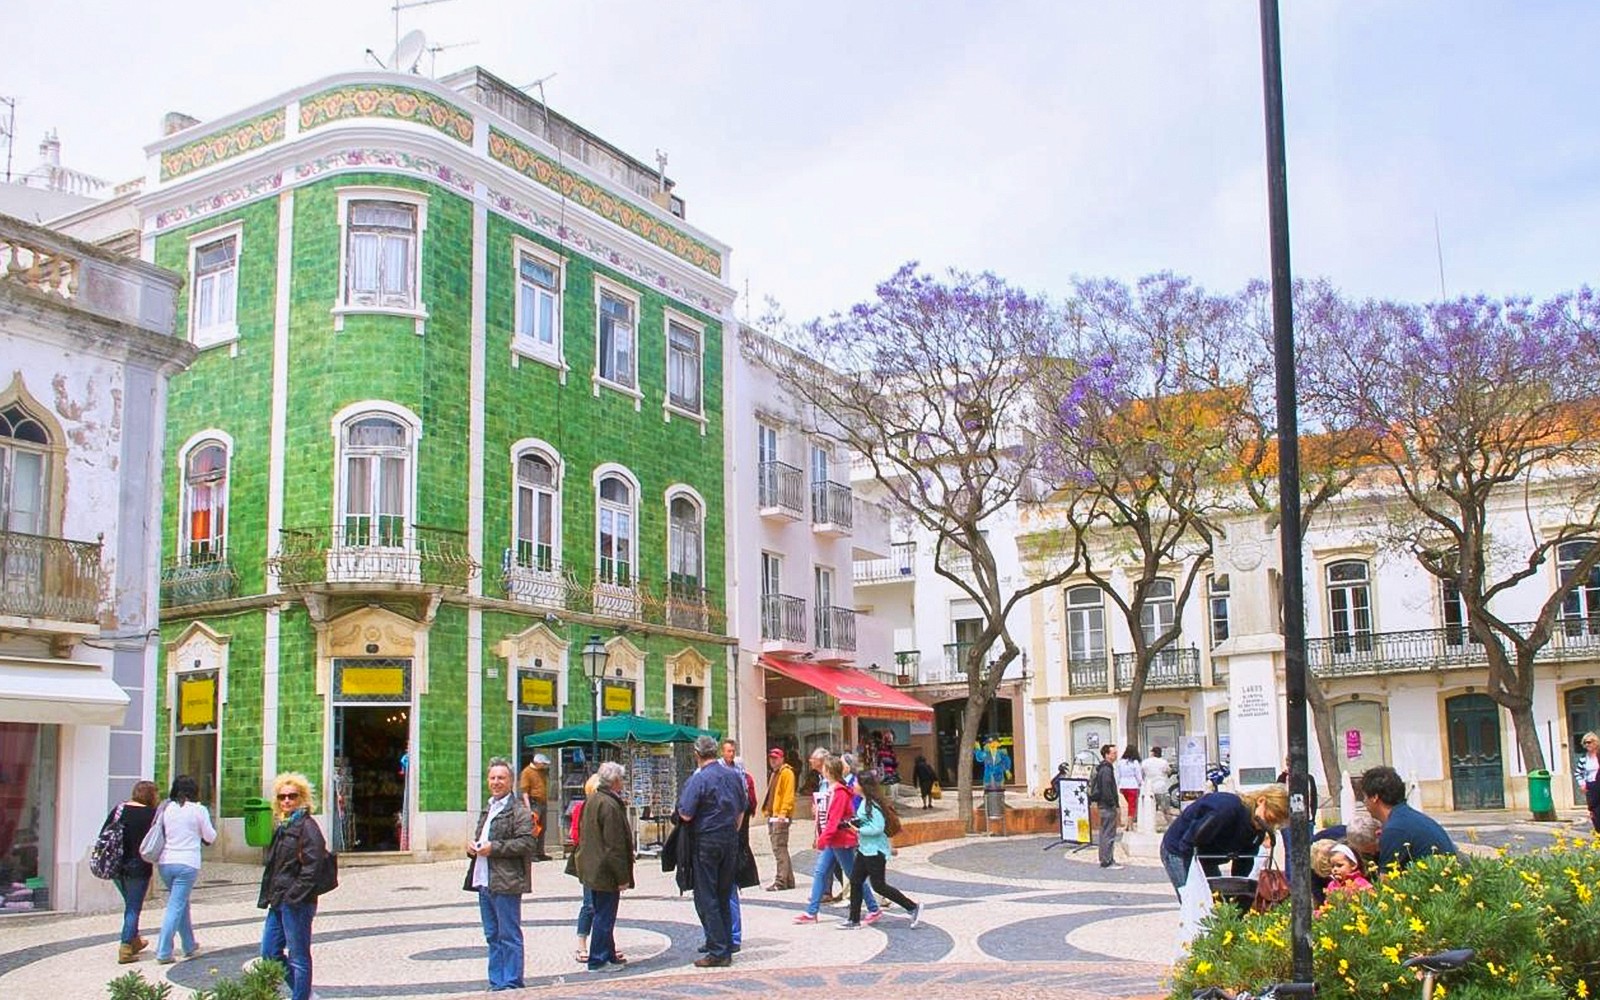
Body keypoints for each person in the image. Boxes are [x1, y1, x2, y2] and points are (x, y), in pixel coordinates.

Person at [462, 756, 537, 991]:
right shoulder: (488, 808)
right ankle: (496, 982)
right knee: (492, 935)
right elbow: (481, 838)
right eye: (493, 777)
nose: (496, 782)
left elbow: (527, 844)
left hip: (506, 881)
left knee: (509, 934)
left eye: (501, 778)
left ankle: (512, 983)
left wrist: (494, 848)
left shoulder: (519, 811)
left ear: (511, 781)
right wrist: (473, 848)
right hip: (484, 879)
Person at [258, 772, 332, 1000]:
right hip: (278, 900)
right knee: (270, 953)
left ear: (302, 798)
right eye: (282, 797)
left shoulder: (307, 827)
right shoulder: (282, 826)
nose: (287, 801)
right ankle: (306, 994)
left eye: (292, 796)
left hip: (297, 901)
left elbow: (313, 866)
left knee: (298, 955)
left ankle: (301, 996)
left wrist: (294, 895)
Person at [677, 734, 748, 967]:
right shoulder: (733, 776)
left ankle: (718, 950)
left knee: (707, 896)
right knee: (724, 893)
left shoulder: (699, 779)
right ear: (716, 752)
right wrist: (732, 832)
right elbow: (741, 810)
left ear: (696, 754)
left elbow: (686, 813)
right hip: (729, 838)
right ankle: (726, 944)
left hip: (706, 841)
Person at [1158, 784, 1291, 897]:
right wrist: (1192, 880)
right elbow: (1189, 842)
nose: (1268, 824)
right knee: (1195, 902)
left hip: (1206, 854)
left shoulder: (1257, 829)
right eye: (1269, 818)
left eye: (1274, 823)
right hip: (1179, 849)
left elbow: (1243, 862)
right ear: (1261, 801)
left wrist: (1238, 892)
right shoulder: (1227, 809)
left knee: (1217, 900)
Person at [841, 773, 922, 930]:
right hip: (865, 850)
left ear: (864, 786)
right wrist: (854, 823)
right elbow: (867, 822)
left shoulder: (873, 804)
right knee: (856, 881)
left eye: (856, 782)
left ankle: (912, 907)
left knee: (879, 886)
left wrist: (858, 829)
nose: (853, 785)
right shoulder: (865, 803)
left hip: (875, 851)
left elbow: (877, 827)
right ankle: (854, 919)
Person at [576, 760, 633, 973]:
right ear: (616, 781)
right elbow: (614, 845)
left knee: (603, 912)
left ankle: (608, 953)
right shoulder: (609, 805)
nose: (623, 783)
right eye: (622, 779)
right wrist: (622, 877)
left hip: (593, 867)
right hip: (604, 871)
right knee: (604, 915)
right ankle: (598, 959)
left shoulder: (594, 799)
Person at [154, 774, 217, 964]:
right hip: (187, 863)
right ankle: (164, 950)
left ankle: (189, 944)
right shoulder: (198, 810)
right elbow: (210, 836)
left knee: (181, 903)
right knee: (176, 905)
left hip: (165, 862)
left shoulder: (167, 808)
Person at [1360, 765, 1456, 872]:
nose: (1364, 802)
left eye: (1364, 797)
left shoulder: (1395, 829)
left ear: (1374, 797)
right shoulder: (1409, 817)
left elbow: (1386, 882)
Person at [104, 780, 159, 963]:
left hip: (116, 865)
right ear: (152, 795)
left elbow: (104, 832)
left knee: (130, 904)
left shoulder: (119, 810)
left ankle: (134, 940)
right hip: (139, 867)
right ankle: (126, 946)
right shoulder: (151, 815)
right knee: (133, 907)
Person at [569, 773, 620, 964]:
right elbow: (575, 836)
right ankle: (583, 944)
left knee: (604, 910)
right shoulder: (583, 808)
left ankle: (608, 948)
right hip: (591, 865)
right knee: (590, 905)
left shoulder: (606, 806)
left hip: (600, 866)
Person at [763, 748, 796, 890]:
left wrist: (783, 813)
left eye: (776, 758)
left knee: (779, 848)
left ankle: (781, 881)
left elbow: (788, 795)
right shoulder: (774, 773)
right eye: (771, 758)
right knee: (780, 847)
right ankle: (788, 879)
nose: (773, 760)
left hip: (780, 817)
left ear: (782, 759)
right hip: (773, 816)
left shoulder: (787, 773)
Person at [1091, 743, 1123, 869]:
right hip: (1107, 806)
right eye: (1113, 753)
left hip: (1104, 805)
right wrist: (1113, 804)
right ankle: (1107, 860)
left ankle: (1106, 858)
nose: (1116, 755)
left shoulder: (1104, 768)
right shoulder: (1106, 770)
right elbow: (1107, 789)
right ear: (1107, 754)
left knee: (1105, 832)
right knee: (1108, 834)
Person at [520, 753, 552, 862]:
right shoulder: (527, 772)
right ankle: (532, 853)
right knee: (534, 829)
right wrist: (528, 808)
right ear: (537, 763)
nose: (544, 766)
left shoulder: (542, 772)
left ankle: (540, 852)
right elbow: (524, 791)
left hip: (542, 802)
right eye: (543, 764)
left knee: (542, 828)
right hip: (533, 802)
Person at [1141, 746, 1174, 826]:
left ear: (1152, 753)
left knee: (1148, 809)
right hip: (1161, 787)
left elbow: (1141, 773)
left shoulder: (1145, 762)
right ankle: (1171, 824)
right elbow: (1169, 771)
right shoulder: (1163, 762)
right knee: (1165, 809)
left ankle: (1148, 825)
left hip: (1148, 788)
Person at [1116, 746, 1143, 832]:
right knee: (1132, 806)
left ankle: (1127, 823)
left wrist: (1118, 785)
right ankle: (1130, 824)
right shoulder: (1135, 762)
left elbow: (1118, 775)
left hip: (1123, 786)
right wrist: (1141, 784)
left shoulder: (1120, 762)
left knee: (1127, 805)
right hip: (1133, 785)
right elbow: (1138, 776)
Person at [1580, 731, 1599, 833]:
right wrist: (1582, 783)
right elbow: (1578, 773)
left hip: (1599, 783)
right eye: (1585, 743)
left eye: (1589, 742)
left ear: (1595, 742)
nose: (1587, 745)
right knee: (1594, 811)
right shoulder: (1584, 758)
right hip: (1590, 786)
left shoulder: (1599, 756)